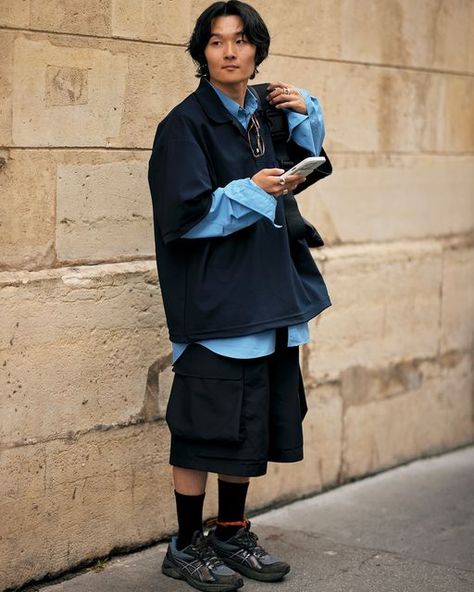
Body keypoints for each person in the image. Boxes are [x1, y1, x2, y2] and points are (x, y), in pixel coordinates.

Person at [148, 2, 332, 590]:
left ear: (257, 50)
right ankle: (183, 545)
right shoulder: (184, 125)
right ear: (201, 53)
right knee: (203, 427)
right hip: (215, 302)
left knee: (248, 422)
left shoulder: (265, 113)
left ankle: (230, 531)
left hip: (268, 293)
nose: (230, 51)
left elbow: (311, 168)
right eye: (217, 41)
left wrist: (308, 114)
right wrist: (251, 191)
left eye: (242, 40)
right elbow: (184, 216)